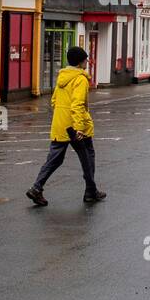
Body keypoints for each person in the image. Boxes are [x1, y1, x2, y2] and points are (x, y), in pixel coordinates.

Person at [26, 45, 106, 207]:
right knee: (87, 157)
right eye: (85, 60)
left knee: (54, 159)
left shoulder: (62, 77)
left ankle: (36, 187)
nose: (87, 62)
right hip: (76, 127)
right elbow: (77, 105)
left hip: (60, 124)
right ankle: (90, 192)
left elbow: (54, 101)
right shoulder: (80, 79)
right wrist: (79, 128)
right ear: (80, 62)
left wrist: (63, 117)